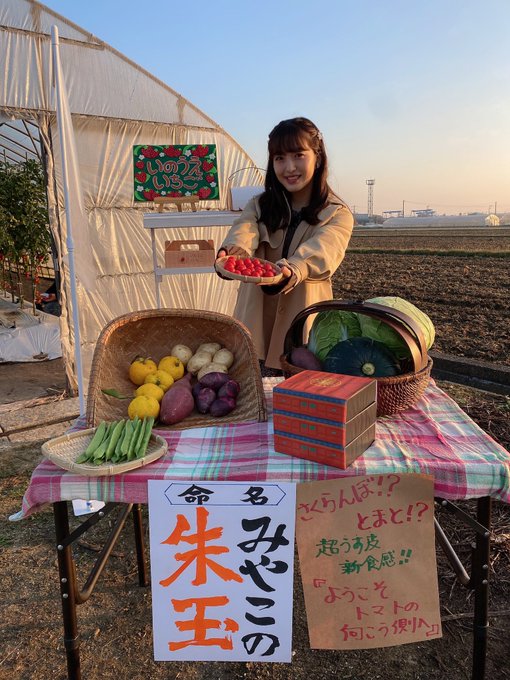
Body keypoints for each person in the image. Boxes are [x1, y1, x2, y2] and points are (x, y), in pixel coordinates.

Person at [215, 117, 354, 370]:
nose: (289, 167)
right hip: (255, 321)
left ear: (317, 157)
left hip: (300, 327)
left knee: (297, 386)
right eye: (279, 158)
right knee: (252, 384)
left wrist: (295, 268)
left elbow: (325, 249)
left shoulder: (336, 213)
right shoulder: (259, 206)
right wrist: (235, 250)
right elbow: (244, 229)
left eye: (298, 155)